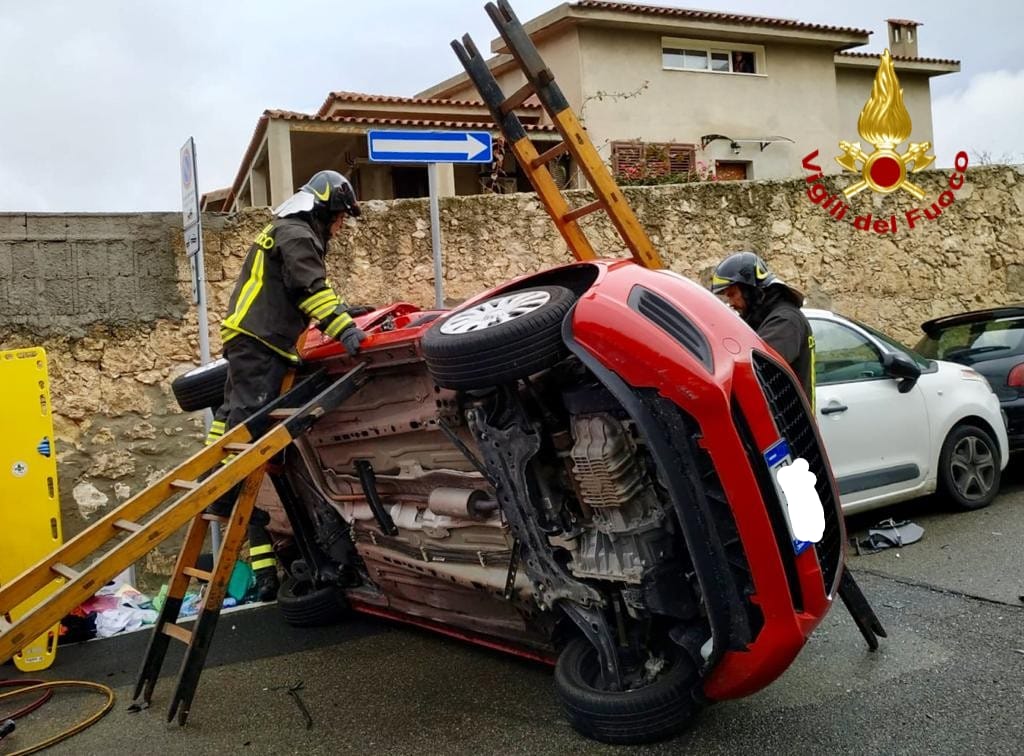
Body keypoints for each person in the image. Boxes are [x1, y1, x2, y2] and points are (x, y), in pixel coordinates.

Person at [205, 169, 367, 601]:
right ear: (325, 209)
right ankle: (223, 494)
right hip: (262, 339)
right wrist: (344, 330)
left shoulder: (285, 229)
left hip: (250, 335)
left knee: (230, 414)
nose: (340, 226)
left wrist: (343, 310)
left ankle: (214, 482)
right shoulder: (297, 234)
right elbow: (309, 288)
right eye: (339, 217)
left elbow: (300, 289)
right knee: (251, 418)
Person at [711, 251, 815, 409]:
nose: (730, 302)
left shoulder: (785, 321)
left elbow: (755, 370)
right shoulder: (763, 318)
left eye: (732, 294)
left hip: (787, 418)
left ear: (749, 290)